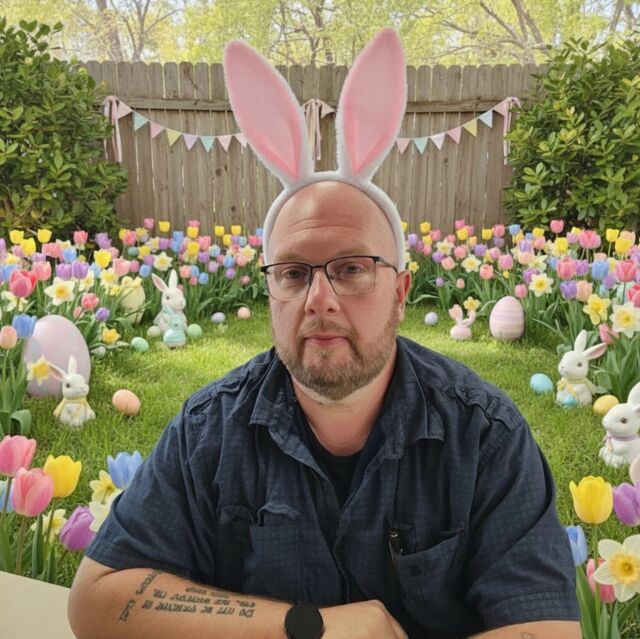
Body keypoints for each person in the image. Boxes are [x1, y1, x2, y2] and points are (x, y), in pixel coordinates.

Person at [68, 30, 581, 639]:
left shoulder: (484, 435)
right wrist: (309, 627)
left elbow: (547, 627)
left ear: (401, 290)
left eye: (351, 269)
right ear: (271, 292)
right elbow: (97, 601)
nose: (319, 299)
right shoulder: (210, 432)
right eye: (293, 273)